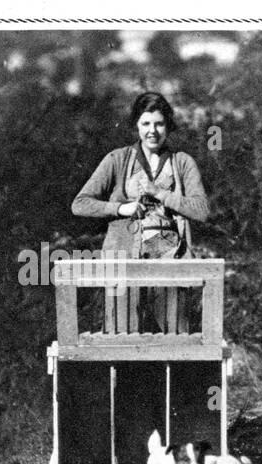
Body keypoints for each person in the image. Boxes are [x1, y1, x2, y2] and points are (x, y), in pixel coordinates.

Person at [72, 92, 209, 333]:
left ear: (168, 126)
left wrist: (160, 193)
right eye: (146, 123)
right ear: (136, 125)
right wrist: (120, 208)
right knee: (122, 336)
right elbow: (80, 203)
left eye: (159, 123)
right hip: (123, 260)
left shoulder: (182, 162)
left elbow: (201, 210)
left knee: (176, 337)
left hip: (168, 258)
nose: (152, 131)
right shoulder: (117, 159)